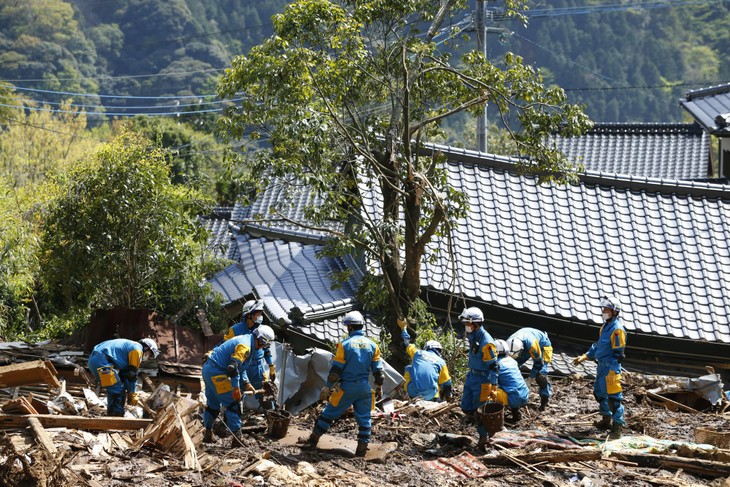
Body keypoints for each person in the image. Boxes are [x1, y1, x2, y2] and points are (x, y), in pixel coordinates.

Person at [303, 311, 384, 457]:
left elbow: (336, 371)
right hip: (365, 389)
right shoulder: (373, 345)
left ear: (350, 327)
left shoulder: (345, 345)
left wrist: (328, 387)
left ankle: (312, 440)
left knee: (329, 414)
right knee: (365, 419)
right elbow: (378, 371)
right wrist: (379, 387)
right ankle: (361, 451)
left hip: (347, 388)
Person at [202, 325, 276, 444]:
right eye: (263, 344)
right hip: (217, 374)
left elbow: (241, 367)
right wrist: (236, 388)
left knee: (213, 405)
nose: (262, 347)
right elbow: (233, 368)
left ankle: (208, 434)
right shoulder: (245, 346)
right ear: (260, 339)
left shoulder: (248, 340)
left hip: (208, 370)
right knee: (233, 405)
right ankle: (237, 439)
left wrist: (246, 383)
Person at [573, 295, 627, 439]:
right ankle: (606, 420)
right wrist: (586, 356)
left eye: (607, 309)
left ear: (615, 311)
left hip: (611, 367)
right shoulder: (605, 327)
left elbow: (618, 353)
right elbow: (599, 346)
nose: (604, 311)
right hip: (601, 366)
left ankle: (617, 428)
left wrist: (612, 370)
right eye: (603, 308)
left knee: (614, 399)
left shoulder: (617, 330)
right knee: (599, 393)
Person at [459, 307, 499, 450]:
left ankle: (484, 438)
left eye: (467, 324)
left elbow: (494, 366)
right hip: (473, 376)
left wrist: (493, 386)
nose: (466, 327)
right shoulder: (474, 335)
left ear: (475, 324)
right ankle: (480, 425)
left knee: (480, 410)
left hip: (483, 380)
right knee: (465, 406)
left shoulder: (486, 342)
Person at [223, 300, 276, 408]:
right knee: (236, 398)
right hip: (241, 368)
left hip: (258, 369)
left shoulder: (261, 329)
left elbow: (266, 349)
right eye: (257, 314)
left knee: (266, 396)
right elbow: (224, 348)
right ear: (249, 315)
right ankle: (232, 421)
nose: (260, 317)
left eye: (260, 314)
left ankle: (272, 419)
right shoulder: (234, 330)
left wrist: (271, 366)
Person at [88, 337, 160, 416]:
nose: (148, 357)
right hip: (101, 362)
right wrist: (132, 393)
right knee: (118, 391)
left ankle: (111, 415)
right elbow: (131, 375)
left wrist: (129, 390)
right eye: (149, 354)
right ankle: (117, 418)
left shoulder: (130, 347)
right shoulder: (137, 350)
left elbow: (125, 375)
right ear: (146, 347)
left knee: (113, 388)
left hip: (95, 360)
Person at [397, 319, 452, 401]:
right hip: (431, 396)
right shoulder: (441, 362)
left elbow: (406, 343)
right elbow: (447, 382)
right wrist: (447, 396)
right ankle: (437, 400)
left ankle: (405, 394)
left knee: (409, 368)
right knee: (441, 380)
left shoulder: (418, 353)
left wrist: (403, 328)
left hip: (414, 393)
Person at [505, 327, 554, 411]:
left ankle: (544, 401)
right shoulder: (508, 343)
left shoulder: (533, 346)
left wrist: (530, 379)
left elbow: (539, 363)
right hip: (523, 347)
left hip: (543, 345)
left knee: (541, 375)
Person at [494, 340, 530, 423]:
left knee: (487, 390)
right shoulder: (512, 361)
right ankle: (515, 412)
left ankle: (496, 415)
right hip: (524, 395)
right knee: (511, 387)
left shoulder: (496, 364)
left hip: (512, 398)